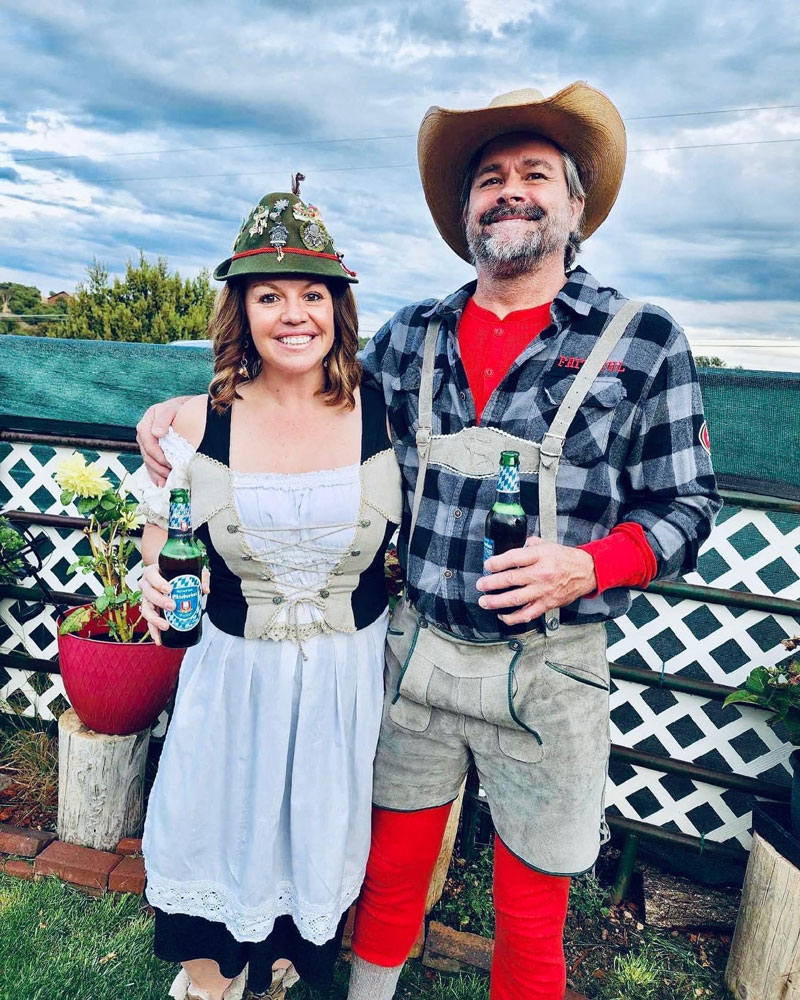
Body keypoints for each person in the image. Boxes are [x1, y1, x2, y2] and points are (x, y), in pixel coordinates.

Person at [138, 84, 721, 1000]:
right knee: (390, 874)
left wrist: (589, 564)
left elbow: (689, 508)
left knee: (532, 905)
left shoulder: (641, 340)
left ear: (576, 206)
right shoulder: (413, 336)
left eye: (536, 175)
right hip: (411, 657)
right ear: (465, 214)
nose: (510, 191)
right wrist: (178, 409)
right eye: (489, 179)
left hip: (553, 669)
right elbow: (290, 390)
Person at [131, 186, 402, 1000]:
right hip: (234, 677)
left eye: (312, 294)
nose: (294, 314)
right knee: (218, 826)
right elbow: (160, 538)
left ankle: (277, 967)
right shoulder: (197, 422)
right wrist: (152, 580)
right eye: (270, 296)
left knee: (307, 838)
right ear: (241, 312)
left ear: (338, 307)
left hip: (342, 680)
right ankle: (212, 983)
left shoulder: (383, 412)